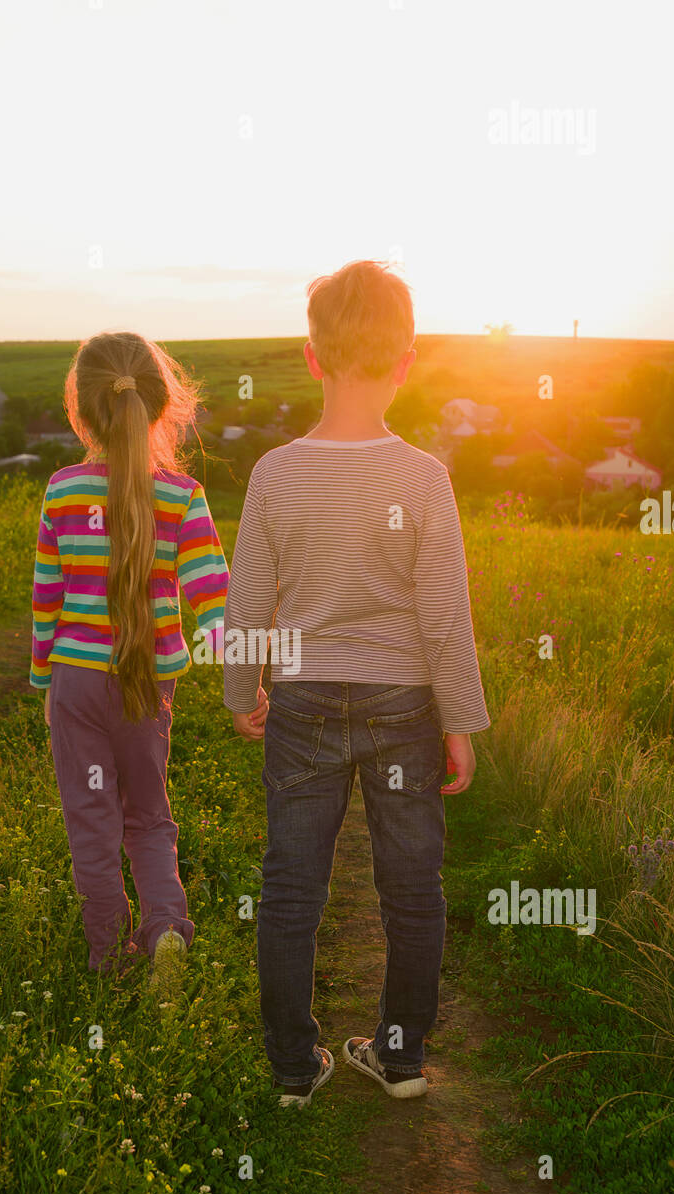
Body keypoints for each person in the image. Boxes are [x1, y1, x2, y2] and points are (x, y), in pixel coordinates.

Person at [223, 261, 490, 1106]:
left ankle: (294, 1071)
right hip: (404, 705)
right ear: (406, 360)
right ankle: (402, 1059)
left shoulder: (273, 473)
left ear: (310, 356)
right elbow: (443, 613)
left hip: (300, 702)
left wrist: (241, 695)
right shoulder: (422, 477)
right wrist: (460, 720)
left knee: (291, 885)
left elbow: (248, 605)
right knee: (411, 886)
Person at [30, 330, 262, 989]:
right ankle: (164, 930)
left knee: (91, 822)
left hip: (77, 684)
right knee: (149, 817)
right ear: (164, 408)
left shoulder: (61, 492)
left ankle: (107, 958)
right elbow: (215, 602)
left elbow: (47, 600)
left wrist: (45, 679)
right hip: (146, 687)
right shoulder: (183, 497)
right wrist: (243, 687)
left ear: (80, 409)